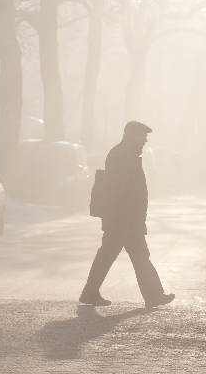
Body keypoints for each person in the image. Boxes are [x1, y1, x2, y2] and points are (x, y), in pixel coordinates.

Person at [79, 121, 175, 308]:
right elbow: (120, 191)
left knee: (123, 256)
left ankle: (91, 292)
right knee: (132, 256)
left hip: (124, 219)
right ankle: (153, 295)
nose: (146, 140)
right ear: (133, 136)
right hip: (123, 220)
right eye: (143, 136)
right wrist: (128, 219)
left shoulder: (126, 154)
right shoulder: (123, 155)